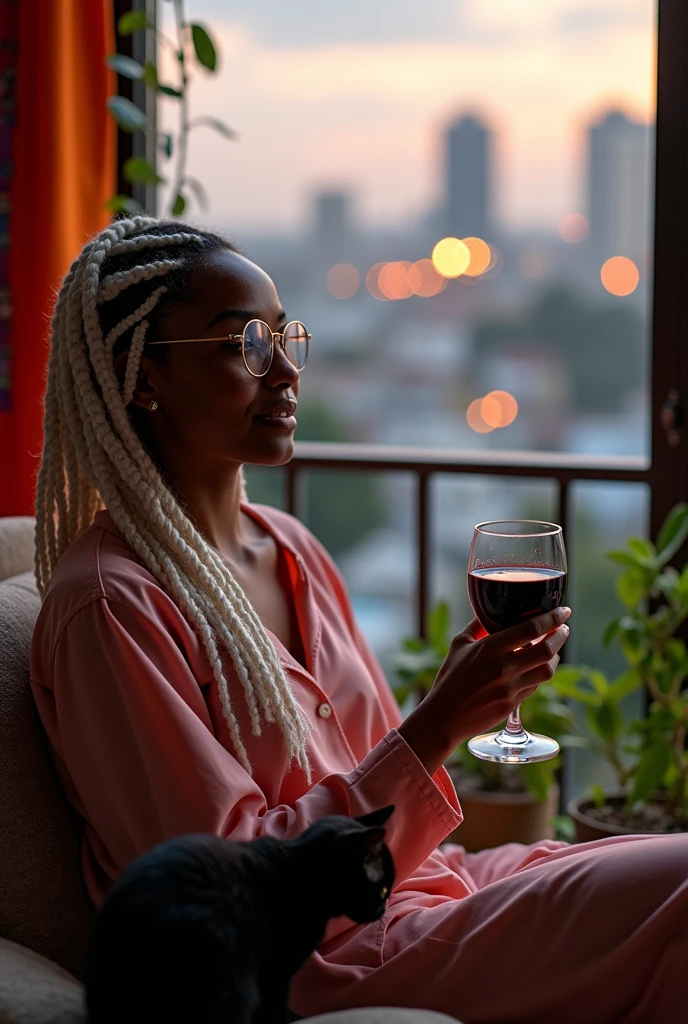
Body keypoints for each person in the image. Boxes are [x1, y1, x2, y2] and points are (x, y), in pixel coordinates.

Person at [29, 217, 687, 1024]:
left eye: (283, 338)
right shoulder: (112, 605)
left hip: (429, 887)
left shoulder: (292, 548)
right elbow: (232, 884)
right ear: (143, 377)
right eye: (244, 345)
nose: (286, 375)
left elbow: (387, 802)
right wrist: (441, 721)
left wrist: (450, 710)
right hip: (325, 957)